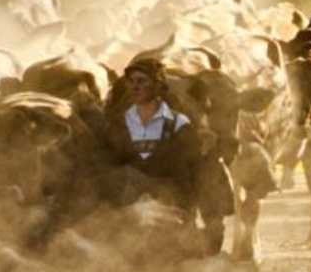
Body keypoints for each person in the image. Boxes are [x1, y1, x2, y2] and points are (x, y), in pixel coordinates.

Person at [100, 53, 234, 253]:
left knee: (209, 173)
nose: (135, 87)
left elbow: (195, 161)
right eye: (132, 82)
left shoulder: (180, 121)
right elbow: (107, 159)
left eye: (142, 82)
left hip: (174, 190)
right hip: (134, 193)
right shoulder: (119, 121)